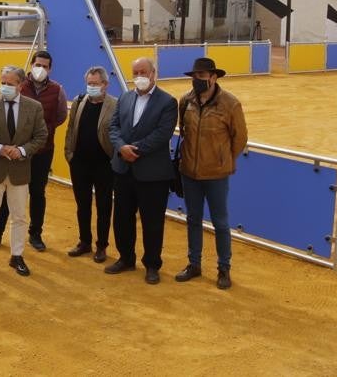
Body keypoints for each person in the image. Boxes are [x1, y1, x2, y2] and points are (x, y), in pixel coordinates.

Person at [175, 57, 248, 290]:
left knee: (220, 222)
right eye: (195, 77)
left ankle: (223, 268)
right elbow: (184, 131)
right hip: (189, 173)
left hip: (216, 175)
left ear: (214, 77)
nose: (198, 80)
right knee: (193, 219)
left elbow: (240, 139)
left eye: (203, 77)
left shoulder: (230, 104)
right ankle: (194, 264)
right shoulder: (185, 101)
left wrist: (221, 160)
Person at [104, 57, 179, 285]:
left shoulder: (167, 102)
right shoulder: (125, 98)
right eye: (135, 72)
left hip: (153, 174)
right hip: (123, 170)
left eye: (143, 72)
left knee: (152, 222)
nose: (139, 76)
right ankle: (126, 258)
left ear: (153, 73)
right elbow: (113, 126)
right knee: (122, 218)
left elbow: (163, 133)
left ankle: (152, 265)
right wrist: (120, 147)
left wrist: (134, 150)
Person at [0, 66, 46, 278]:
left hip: (20, 171)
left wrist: (22, 150)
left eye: (10, 83)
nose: (5, 86)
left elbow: (41, 136)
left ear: (21, 85)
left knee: (19, 217)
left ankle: (17, 256)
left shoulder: (34, 108)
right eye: (3, 82)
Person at [0, 50, 67, 252]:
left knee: (37, 192)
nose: (40, 69)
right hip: (15, 151)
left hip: (42, 150)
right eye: (38, 64)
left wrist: (40, 133)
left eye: (45, 66)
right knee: (9, 190)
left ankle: (35, 234)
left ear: (50, 68)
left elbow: (60, 117)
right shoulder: (18, 85)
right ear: (31, 65)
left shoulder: (57, 90)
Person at [63, 66, 117, 263]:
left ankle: (101, 245)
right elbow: (71, 129)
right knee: (82, 205)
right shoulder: (79, 101)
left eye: (96, 84)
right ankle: (84, 241)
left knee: (104, 206)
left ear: (105, 84)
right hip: (80, 164)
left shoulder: (115, 105)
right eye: (89, 84)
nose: (92, 87)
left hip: (104, 165)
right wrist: (69, 154)